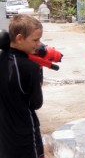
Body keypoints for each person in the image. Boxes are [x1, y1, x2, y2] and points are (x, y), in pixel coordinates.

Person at [0, 14, 44, 158]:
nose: (38, 44)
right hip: (25, 134)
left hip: (4, 133)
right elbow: (36, 103)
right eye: (35, 40)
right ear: (19, 38)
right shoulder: (30, 67)